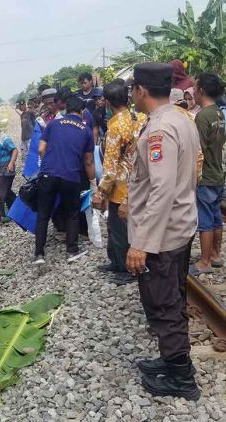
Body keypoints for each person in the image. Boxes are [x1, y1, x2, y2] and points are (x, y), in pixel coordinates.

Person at [126, 62, 201, 401]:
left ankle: (182, 379)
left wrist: (141, 243)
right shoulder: (180, 119)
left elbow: (161, 190)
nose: (131, 94)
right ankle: (171, 361)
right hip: (179, 227)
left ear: (141, 91)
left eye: (132, 89)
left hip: (163, 235)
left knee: (162, 303)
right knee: (172, 297)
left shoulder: (159, 130)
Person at [92, 81, 147, 284]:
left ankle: (125, 269)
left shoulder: (115, 126)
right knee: (125, 227)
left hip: (121, 186)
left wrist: (100, 193)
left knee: (119, 229)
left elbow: (110, 167)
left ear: (107, 102)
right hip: (139, 181)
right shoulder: (140, 118)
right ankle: (115, 262)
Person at [33, 96, 96, 265]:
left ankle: (39, 254)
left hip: (48, 174)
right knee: (72, 214)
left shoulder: (53, 124)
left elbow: (41, 149)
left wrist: (50, 163)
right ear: (82, 111)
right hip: (71, 175)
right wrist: (93, 182)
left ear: (66, 109)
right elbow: (89, 160)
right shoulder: (85, 130)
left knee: (43, 215)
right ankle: (71, 251)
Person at [190, 73, 225, 275]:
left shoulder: (203, 116)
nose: (193, 91)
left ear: (201, 89)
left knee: (205, 221)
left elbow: (198, 150)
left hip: (206, 175)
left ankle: (204, 262)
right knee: (215, 217)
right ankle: (216, 255)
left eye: (195, 87)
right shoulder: (219, 113)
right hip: (218, 173)